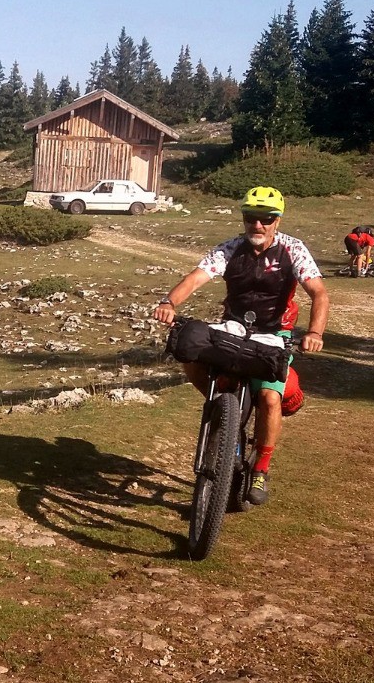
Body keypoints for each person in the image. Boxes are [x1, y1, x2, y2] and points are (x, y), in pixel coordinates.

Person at [153, 185, 329, 506]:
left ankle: (261, 467)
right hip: (233, 327)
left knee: (269, 398)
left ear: (277, 220)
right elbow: (196, 277)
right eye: (251, 217)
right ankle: (223, 407)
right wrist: (169, 302)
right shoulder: (230, 249)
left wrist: (315, 332)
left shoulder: (293, 249)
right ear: (244, 218)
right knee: (190, 353)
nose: (258, 225)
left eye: (266, 218)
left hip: (275, 333)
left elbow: (319, 293)